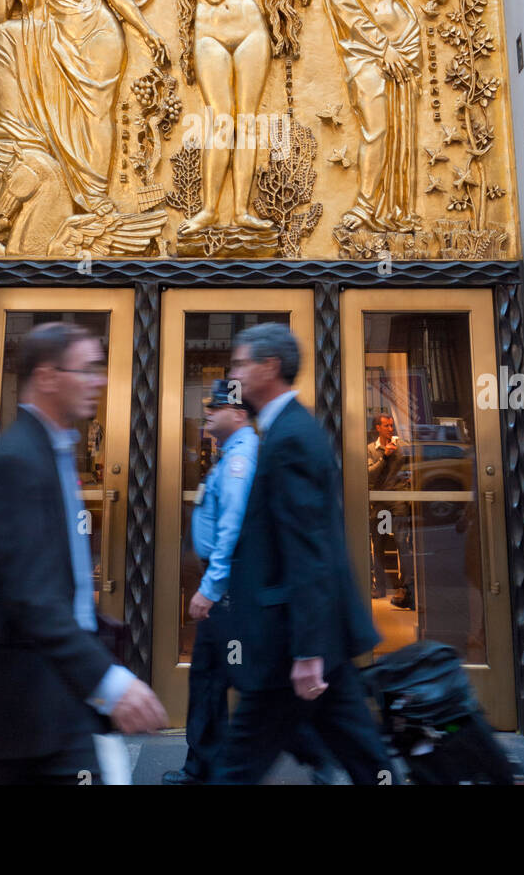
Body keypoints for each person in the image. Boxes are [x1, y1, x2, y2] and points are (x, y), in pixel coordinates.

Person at [0, 322, 167, 784]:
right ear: (48, 376)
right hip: (3, 707)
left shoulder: (51, 452)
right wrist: (111, 683)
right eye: (88, 369)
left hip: (51, 698)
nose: (99, 380)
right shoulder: (17, 461)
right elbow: (32, 597)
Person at [214, 325, 395, 785]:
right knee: (364, 756)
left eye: (240, 364)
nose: (234, 373)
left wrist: (308, 651)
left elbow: (309, 550)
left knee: (237, 766)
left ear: (269, 368)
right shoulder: (285, 429)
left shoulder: (291, 437)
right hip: (305, 641)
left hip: (288, 645)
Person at [163, 379, 336, 785]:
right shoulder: (230, 456)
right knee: (215, 675)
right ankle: (202, 766)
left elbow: (233, 527)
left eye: (217, 406)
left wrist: (212, 586)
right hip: (228, 582)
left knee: (246, 680)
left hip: (231, 584)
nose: (208, 411)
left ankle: (313, 749)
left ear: (239, 414)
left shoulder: (241, 461)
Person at [0, 0, 169, 217]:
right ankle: (28, 142)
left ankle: (95, 194)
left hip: (99, 35)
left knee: (97, 112)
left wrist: (147, 30)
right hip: (53, 42)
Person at [322, 0, 464, 231]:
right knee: (376, 127)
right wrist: (382, 46)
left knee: (399, 126)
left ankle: (394, 210)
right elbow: (342, 4)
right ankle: (365, 206)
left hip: (405, 41)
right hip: (364, 48)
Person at [176, 0, 308, 235]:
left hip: (252, 33)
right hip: (211, 36)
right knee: (221, 120)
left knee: (247, 122)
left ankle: (241, 211)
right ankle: (208, 210)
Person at [368, 414, 414, 610]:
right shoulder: (371, 449)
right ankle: (380, 586)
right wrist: (384, 457)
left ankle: (404, 587)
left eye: (391, 425)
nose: (390, 429)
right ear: (377, 427)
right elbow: (369, 473)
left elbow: (412, 468)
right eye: (386, 426)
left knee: (401, 543)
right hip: (380, 503)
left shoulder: (402, 446)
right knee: (378, 543)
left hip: (398, 501)